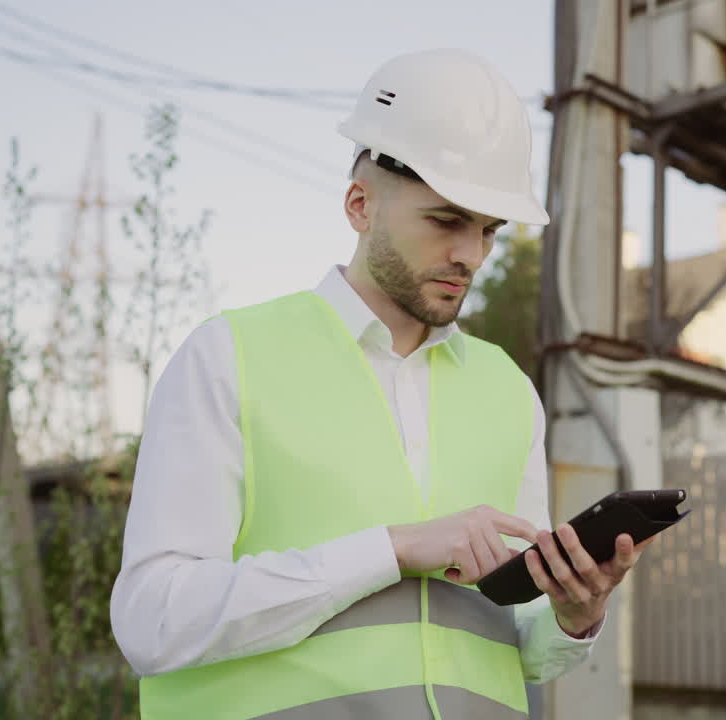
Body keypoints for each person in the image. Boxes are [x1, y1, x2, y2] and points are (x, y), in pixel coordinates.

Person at [110, 48, 650, 720]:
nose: (471, 256)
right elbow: (153, 621)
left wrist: (574, 614)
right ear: (360, 205)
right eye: (446, 220)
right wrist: (391, 549)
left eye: (489, 230)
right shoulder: (229, 356)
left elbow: (520, 645)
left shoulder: (508, 391)